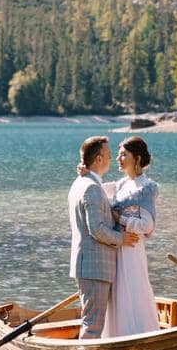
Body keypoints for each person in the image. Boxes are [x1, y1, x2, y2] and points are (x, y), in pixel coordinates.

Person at [67, 135, 138, 339]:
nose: (112, 158)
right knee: (92, 327)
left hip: (90, 266)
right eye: (108, 154)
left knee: (91, 323)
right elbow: (96, 229)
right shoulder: (90, 188)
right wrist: (121, 238)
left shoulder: (82, 182)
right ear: (98, 159)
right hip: (94, 267)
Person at [101, 135, 159, 337]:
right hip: (118, 246)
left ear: (137, 158)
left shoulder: (146, 188)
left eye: (123, 155)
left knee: (133, 290)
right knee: (117, 293)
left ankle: (140, 333)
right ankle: (117, 336)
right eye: (118, 155)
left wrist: (122, 220)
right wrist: (87, 173)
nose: (118, 159)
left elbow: (147, 225)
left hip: (132, 249)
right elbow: (96, 189)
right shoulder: (122, 184)